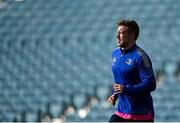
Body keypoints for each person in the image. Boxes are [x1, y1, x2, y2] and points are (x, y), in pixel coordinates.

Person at [108, 19, 156, 122]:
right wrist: (115, 94)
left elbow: (151, 84)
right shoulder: (115, 54)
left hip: (141, 114)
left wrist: (127, 90)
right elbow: (122, 81)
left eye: (121, 33)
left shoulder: (140, 57)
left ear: (132, 35)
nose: (117, 36)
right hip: (122, 112)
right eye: (117, 33)